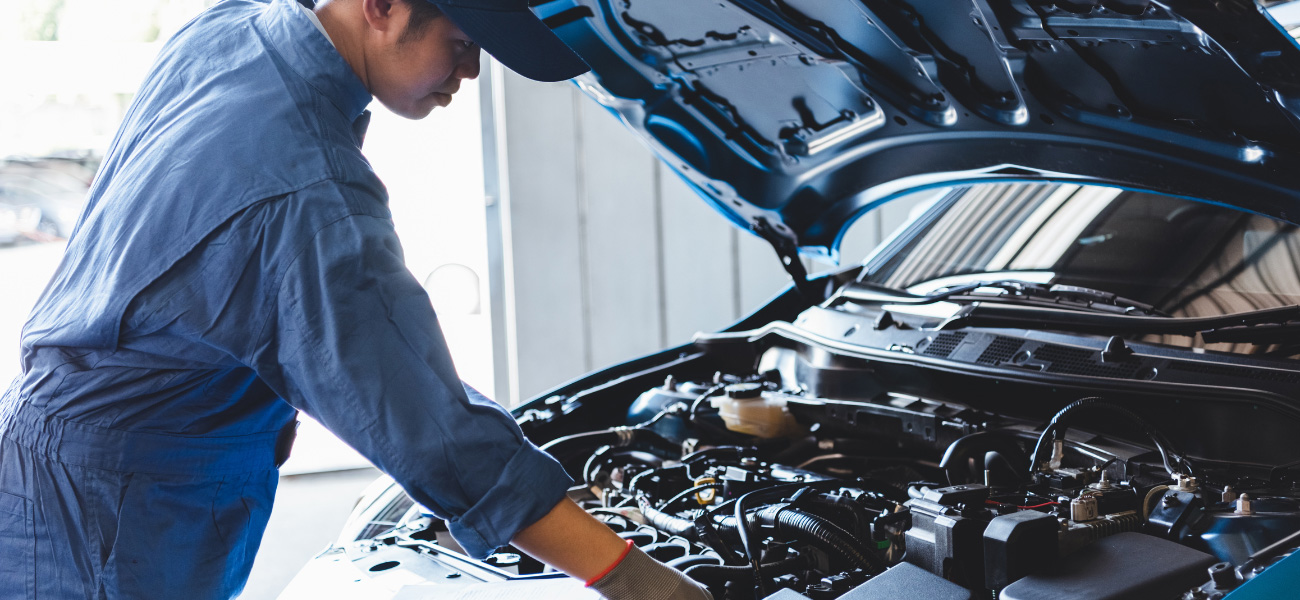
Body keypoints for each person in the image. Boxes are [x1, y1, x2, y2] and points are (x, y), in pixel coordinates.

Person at [0, 0, 711, 598]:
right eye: (461, 43)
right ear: (381, 5)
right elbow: (434, 432)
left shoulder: (232, 30)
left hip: (78, 471)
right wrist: (643, 582)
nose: (470, 70)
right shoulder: (306, 196)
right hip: (101, 520)